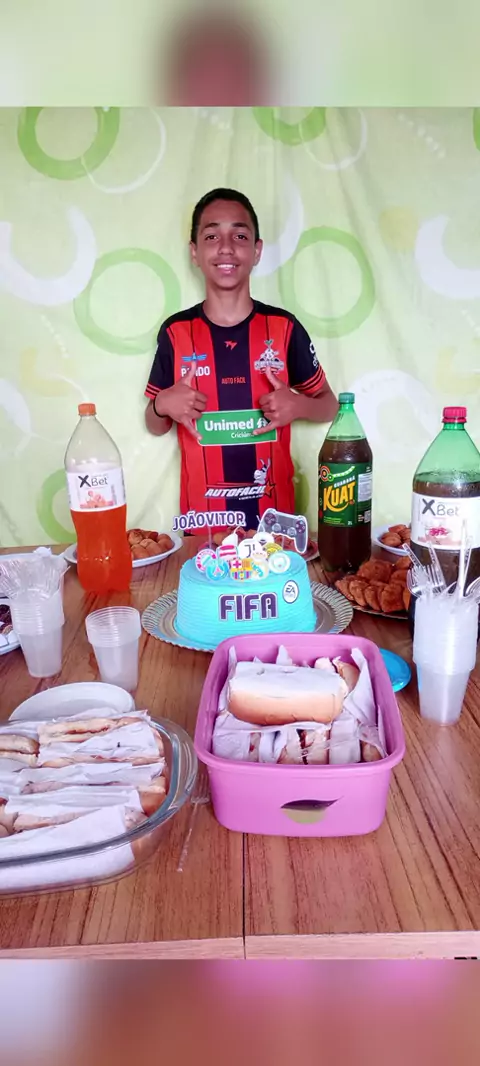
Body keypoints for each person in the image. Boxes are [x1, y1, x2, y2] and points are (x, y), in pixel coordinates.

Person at [145, 188, 338, 533]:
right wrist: (162, 404)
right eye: (211, 236)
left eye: (239, 236)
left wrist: (298, 405)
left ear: (256, 250)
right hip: (204, 527)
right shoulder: (175, 332)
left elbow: (330, 406)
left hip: (275, 528)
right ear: (194, 252)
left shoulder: (284, 328)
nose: (226, 247)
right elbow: (155, 425)